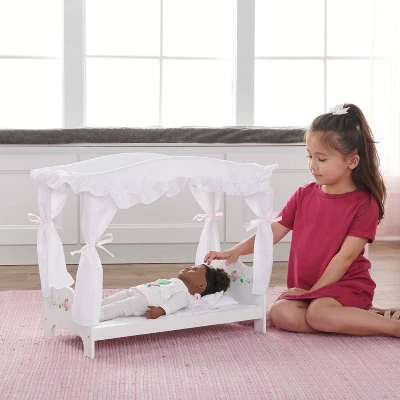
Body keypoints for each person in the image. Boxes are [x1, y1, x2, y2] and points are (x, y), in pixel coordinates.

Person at [204, 103, 400, 338]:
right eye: (309, 155)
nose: (312, 165)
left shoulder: (364, 204)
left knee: (319, 314)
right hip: (308, 286)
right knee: (280, 314)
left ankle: (393, 327)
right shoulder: (304, 194)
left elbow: (345, 258)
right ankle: (357, 318)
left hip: (346, 285)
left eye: (322, 159)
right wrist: (235, 250)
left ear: (352, 161)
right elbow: (273, 231)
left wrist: (315, 293)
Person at [100, 264, 231, 321]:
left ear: (201, 285)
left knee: (120, 307)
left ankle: (97, 315)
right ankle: (95, 307)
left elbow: (174, 304)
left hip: (145, 301)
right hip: (138, 290)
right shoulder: (176, 281)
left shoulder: (184, 294)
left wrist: (161, 310)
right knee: (111, 299)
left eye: (194, 270)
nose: (188, 267)